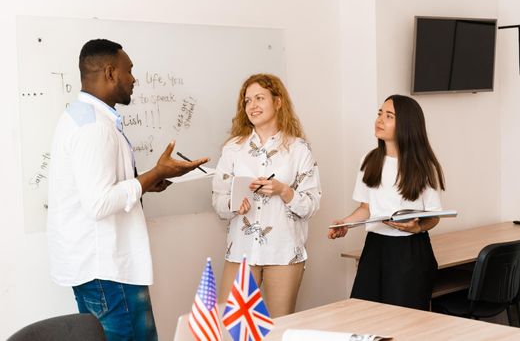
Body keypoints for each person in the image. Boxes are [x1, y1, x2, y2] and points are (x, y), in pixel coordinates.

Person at [47, 39, 209, 340]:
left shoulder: (81, 116)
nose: (134, 79)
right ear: (110, 72)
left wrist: (149, 181)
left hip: (97, 269)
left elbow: (101, 188)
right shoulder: (93, 127)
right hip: (108, 271)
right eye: (129, 70)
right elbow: (98, 203)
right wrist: (155, 173)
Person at [212, 73, 321, 317]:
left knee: (276, 327)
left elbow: (312, 205)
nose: (253, 106)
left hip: (284, 252)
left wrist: (284, 191)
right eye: (247, 101)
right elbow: (217, 200)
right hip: (241, 250)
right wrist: (232, 204)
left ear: (278, 102)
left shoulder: (299, 149)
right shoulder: (233, 149)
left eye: (260, 98)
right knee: (229, 327)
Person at [328, 94, 445, 311]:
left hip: (409, 250)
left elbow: (434, 216)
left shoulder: (423, 166)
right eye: (379, 113)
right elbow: (366, 208)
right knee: (364, 314)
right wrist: (345, 223)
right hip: (375, 246)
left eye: (389, 116)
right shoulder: (369, 160)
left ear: (406, 125)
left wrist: (417, 227)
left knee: (404, 320)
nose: (380, 120)